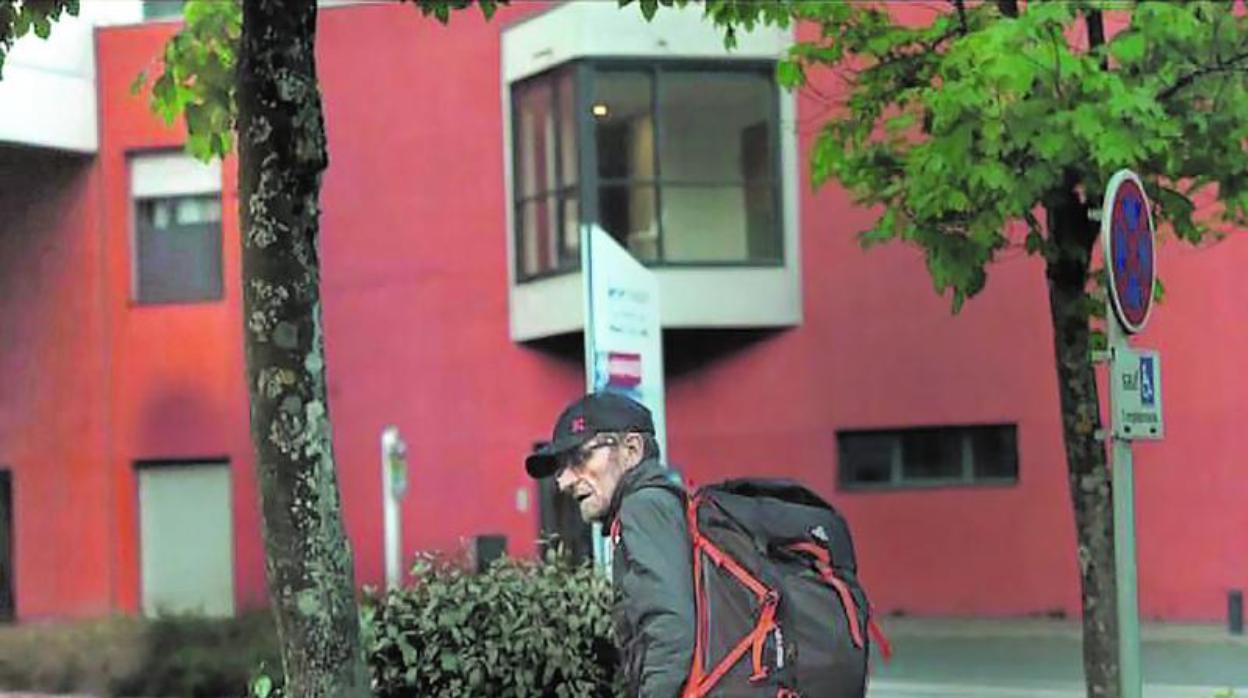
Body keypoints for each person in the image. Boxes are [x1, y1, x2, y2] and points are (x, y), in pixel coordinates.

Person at [525, 392, 694, 697]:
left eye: (578, 457)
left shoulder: (643, 506)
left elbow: (669, 630)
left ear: (631, 449)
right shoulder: (655, 505)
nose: (562, 481)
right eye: (560, 467)